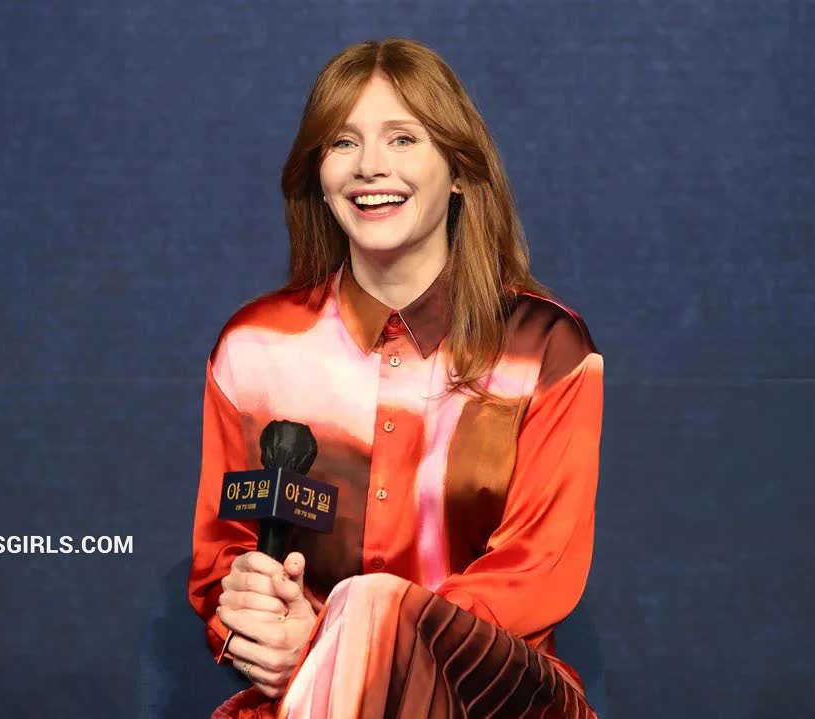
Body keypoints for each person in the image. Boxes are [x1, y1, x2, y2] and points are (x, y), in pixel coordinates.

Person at [188, 37, 604, 718]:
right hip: (315, 698)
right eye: (343, 142)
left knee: (371, 599)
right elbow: (225, 559)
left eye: (403, 138)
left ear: (459, 170)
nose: (369, 166)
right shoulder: (254, 348)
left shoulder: (546, 349)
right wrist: (254, 618)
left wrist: (347, 637)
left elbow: (534, 573)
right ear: (318, 172)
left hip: (493, 697)